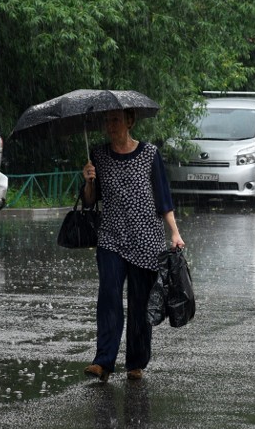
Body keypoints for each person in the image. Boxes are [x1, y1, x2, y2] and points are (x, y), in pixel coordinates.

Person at [80, 109, 186, 381]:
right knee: (109, 298)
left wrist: (174, 232)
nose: (110, 125)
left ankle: (136, 363)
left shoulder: (150, 154)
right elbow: (91, 202)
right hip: (111, 238)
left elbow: (163, 197)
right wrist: (89, 181)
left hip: (146, 240)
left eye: (116, 120)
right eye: (108, 121)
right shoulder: (99, 156)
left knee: (140, 303)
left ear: (129, 122)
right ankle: (103, 361)